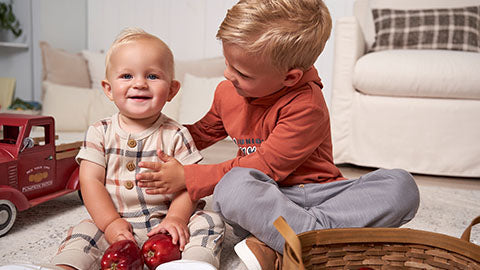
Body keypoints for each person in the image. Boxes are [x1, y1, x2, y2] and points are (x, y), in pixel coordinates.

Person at [136, 0, 420, 269]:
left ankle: (286, 240)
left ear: (290, 77)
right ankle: (304, 239)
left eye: (242, 73)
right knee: (233, 187)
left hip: (321, 193)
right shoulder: (228, 92)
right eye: (227, 63)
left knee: (400, 186)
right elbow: (201, 132)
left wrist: (188, 177)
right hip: (265, 198)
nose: (227, 75)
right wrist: (154, 135)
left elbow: (265, 165)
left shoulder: (307, 105)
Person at [50, 28, 225, 270]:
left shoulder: (176, 134)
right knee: (84, 232)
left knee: (209, 221)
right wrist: (110, 223)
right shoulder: (99, 132)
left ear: (172, 90)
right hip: (117, 222)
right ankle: (64, 266)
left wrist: (176, 218)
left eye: (152, 76)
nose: (140, 84)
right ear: (108, 89)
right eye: (126, 76)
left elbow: (190, 185)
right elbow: (90, 182)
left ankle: (194, 263)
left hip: (166, 223)